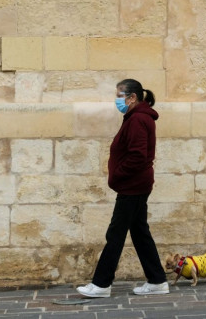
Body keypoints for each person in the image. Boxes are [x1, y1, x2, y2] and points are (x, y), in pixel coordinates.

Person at [77, 79, 169, 298]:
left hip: (133, 186)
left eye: (119, 95)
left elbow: (137, 156)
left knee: (115, 234)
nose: (117, 100)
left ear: (132, 97)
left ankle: (101, 284)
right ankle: (157, 281)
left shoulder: (137, 119)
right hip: (137, 185)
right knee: (139, 233)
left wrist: (117, 175)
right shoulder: (137, 117)